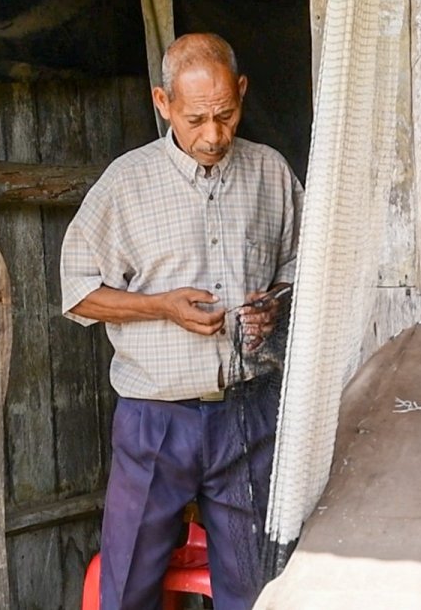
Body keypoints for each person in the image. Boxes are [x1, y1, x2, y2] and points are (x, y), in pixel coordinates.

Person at [60, 33, 303, 610]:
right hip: (156, 422)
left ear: (241, 92)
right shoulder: (127, 183)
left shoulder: (270, 172)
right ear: (163, 103)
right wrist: (160, 305)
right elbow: (77, 293)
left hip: (249, 416)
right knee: (127, 590)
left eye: (226, 114)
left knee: (256, 590)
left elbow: (304, 264)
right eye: (197, 119)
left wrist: (276, 300)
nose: (214, 135)